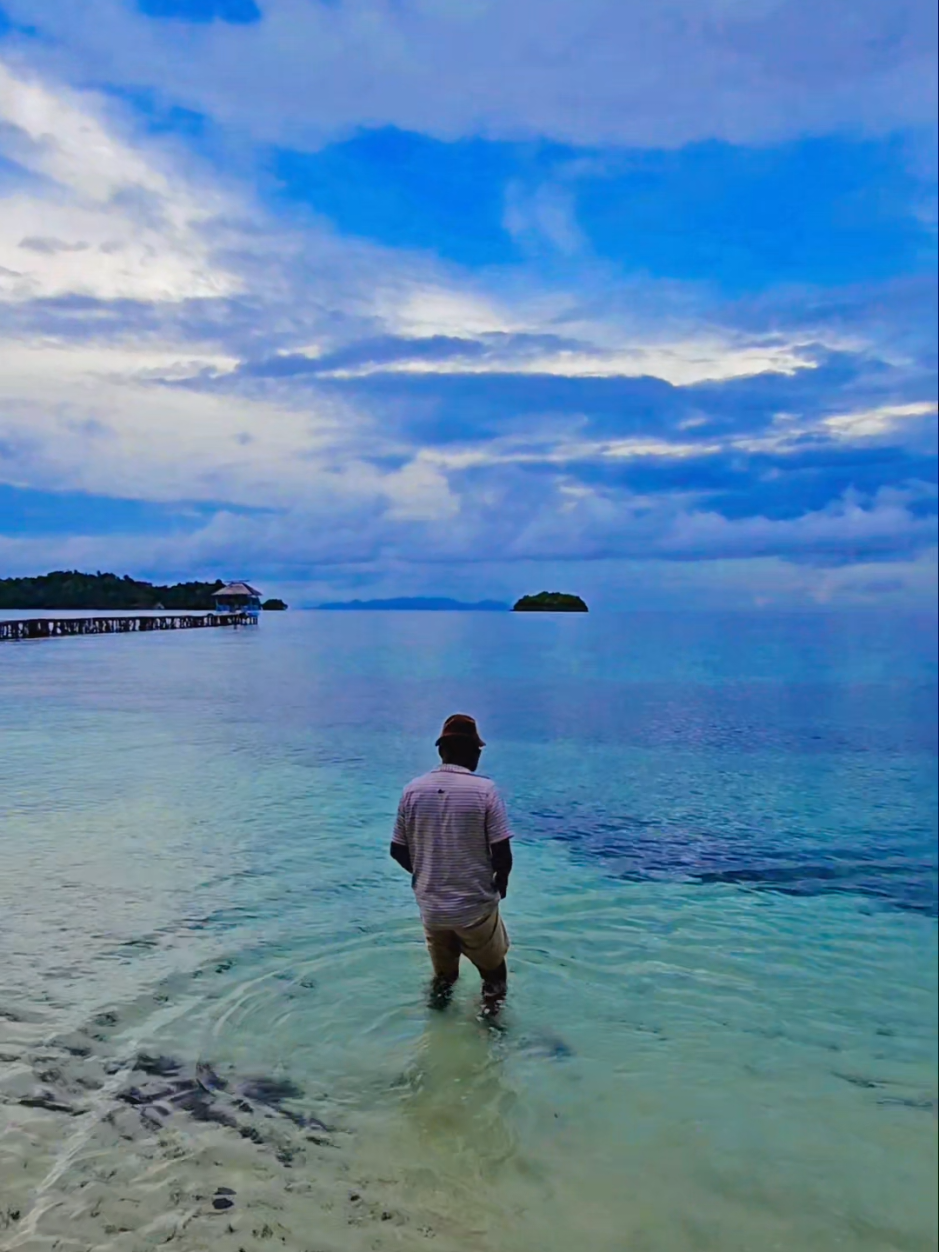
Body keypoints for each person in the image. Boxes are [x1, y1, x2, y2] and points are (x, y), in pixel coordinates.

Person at [390, 713, 513, 1014]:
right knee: (494, 976)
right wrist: (500, 883)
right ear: (474, 753)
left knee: (444, 979)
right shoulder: (485, 791)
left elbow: (397, 850)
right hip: (474, 907)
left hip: (432, 909)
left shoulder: (412, 790)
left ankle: (437, 1025)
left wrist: (429, 873)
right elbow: (502, 852)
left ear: (442, 750)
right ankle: (491, 1029)